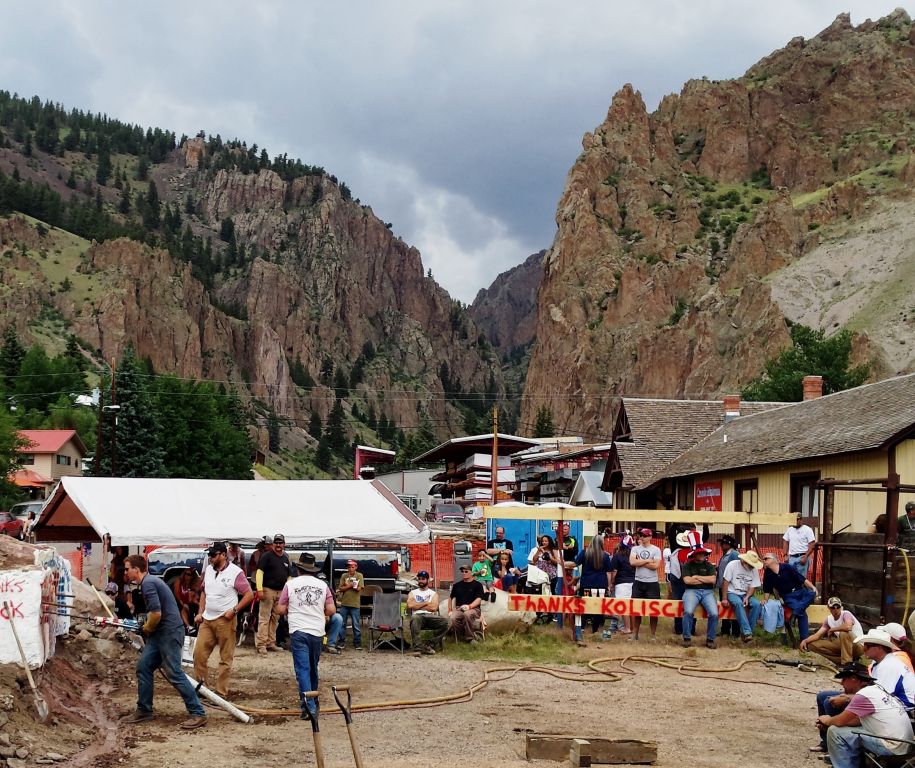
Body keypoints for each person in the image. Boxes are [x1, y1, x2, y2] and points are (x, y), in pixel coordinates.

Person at [121, 555, 207, 729]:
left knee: (174, 673)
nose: (125, 572)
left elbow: (156, 614)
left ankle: (198, 713)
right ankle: (144, 709)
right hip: (160, 634)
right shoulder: (149, 582)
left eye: (127, 568)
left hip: (168, 633)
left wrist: (146, 628)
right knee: (144, 667)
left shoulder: (148, 583)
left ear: (136, 570)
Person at [817, 662, 914, 768]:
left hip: (892, 747)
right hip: (906, 744)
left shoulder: (864, 695)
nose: (841, 683)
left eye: (844, 679)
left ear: (854, 678)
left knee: (835, 732)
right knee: (840, 729)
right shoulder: (877, 690)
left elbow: (840, 721)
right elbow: (857, 721)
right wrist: (830, 723)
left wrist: (826, 720)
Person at [275, 553, 337, 717]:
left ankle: (309, 706)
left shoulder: (290, 584)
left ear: (298, 568)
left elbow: (280, 609)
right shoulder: (323, 585)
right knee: (312, 667)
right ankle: (313, 700)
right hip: (317, 630)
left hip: (298, 629)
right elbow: (331, 610)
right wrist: (319, 611)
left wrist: (289, 607)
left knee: (302, 669)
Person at [193, 542, 254, 698]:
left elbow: (249, 595)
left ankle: (220, 693)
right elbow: (204, 593)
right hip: (207, 618)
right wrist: (200, 612)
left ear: (223, 555)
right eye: (209, 555)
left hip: (225, 620)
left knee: (225, 658)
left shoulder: (236, 572)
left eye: (213, 555)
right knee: (199, 654)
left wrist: (234, 610)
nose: (210, 558)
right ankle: (202, 689)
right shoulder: (208, 571)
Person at [761, 552, 817, 640]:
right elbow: (767, 588)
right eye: (763, 559)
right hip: (788, 596)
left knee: (812, 593)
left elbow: (801, 578)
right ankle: (805, 641)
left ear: (774, 560)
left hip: (800, 591)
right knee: (802, 614)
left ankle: (796, 612)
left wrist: (813, 587)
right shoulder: (768, 573)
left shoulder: (786, 567)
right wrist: (765, 599)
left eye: (766, 558)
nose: (764, 561)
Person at [255, 533, 291, 655]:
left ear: (284, 544)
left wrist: (287, 592)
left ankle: (271, 642)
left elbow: (289, 576)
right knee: (264, 618)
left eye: (280, 543)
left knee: (275, 618)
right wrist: (259, 589)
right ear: (273, 544)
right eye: (276, 542)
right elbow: (259, 572)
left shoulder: (286, 558)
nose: (278, 545)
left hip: (281, 592)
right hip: (267, 590)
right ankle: (261, 644)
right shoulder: (267, 556)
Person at [800, 597, 864, 665]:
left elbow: (848, 627)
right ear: (828, 607)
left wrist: (833, 629)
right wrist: (805, 641)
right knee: (812, 645)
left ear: (841, 607)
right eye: (833, 607)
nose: (836, 609)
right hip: (843, 646)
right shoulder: (829, 619)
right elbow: (817, 635)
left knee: (844, 633)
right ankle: (841, 660)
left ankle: (847, 663)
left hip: (857, 645)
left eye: (838, 607)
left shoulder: (846, 614)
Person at [574, 534, 613, 637]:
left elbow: (575, 564)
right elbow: (609, 572)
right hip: (600, 584)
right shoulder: (605, 556)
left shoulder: (584, 553)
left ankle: (582, 627)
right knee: (598, 606)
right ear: (601, 543)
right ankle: (595, 629)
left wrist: (562, 563)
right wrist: (609, 586)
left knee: (584, 604)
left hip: (586, 583)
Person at [680, 547, 719, 649]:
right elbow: (687, 581)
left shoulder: (709, 565)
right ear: (695, 555)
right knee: (688, 611)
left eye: (704, 554)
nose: (702, 555)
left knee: (714, 613)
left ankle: (710, 639)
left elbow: (713, 580)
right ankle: (687, 638)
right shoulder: (687, 565)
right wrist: (705, 580)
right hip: (691, 591)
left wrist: (696, 577)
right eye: (700, 553)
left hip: (708, 592)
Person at [722, 550, 763, 643]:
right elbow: (725, 582)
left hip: (746, 593)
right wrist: (724, 598)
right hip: (732, 592)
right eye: (751, 565)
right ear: (744, 561)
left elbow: (753, 586)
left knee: (756, 604)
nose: (752, 567)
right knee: (738, 604)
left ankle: (747, 633)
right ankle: (747, 632)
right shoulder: (732, 565)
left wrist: (747, 597)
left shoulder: (754, 569)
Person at [629, 528, 662, 641]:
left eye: (644, 535)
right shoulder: (635, 548)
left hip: (652, 582)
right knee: (636, 609)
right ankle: (635, 634)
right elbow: (632, 562)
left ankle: (653, 634)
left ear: (650, 537)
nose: (641, 537)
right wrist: (649, 560)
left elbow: (656, 566)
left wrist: (641, 562)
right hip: (638, 581)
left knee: (653, 610)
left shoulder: (656, 549)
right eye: (640, 535)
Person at [407, 570, 449, 655]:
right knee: (415, 618)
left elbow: (434, 607)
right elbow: (410, 605)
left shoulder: (433, 593)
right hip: (417, 616)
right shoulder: (413, 593)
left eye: (423, 579)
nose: (421, 581)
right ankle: (418, 649)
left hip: (430, 617)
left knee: (447, 622)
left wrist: (418, 604)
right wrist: (426, 603)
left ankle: (429, 644)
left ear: (428, 580)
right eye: (419, 579)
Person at [332, 559, 363, 650]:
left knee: (355, 624)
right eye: (348, 567)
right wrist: (351, 585)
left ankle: (357, 642)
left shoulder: (359, 575)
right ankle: (341, 641)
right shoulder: (344, 575)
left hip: (355, 604)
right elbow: (340, 588)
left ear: (356, 567)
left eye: (352, 567)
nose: (350, 569)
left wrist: (348, 585)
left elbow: (359, 588)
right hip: (345, 603)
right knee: (342, 623)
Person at [449, 564, 484, 642]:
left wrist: (469, 606)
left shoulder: (478, 585)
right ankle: (464, 634)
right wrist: (450, 610)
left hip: (474, 609)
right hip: (459, 608)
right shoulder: (457, 585)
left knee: (467, 614)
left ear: (471, 573)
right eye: (462, 571)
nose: (464, 573)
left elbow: (479, 599)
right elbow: (451, 598)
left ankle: (470, 638)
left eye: (466, 571)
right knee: (452, 618)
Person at [608, 535, 635, 635]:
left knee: (624, 607)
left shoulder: (617, 556)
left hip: (622, 583)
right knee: (632, 607)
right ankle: (632, 628)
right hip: (633, 582)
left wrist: (611, 583)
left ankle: (627, 628)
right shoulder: (633, 556)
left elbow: (614, 571)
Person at [717, 534, 741, 638]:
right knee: (725, 607)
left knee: (733, 608)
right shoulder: (726, 554)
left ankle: (735, 631)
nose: (721, 545)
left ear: (728, 544)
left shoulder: (734, 554)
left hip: (729, 586)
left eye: (723, 543)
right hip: (723, 585)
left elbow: (735, 570)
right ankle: (725, 630)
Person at [783, 512, 816, 578]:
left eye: (796, 520)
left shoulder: (807, 530)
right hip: (791, 557)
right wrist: (785, 555)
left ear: (800, 520)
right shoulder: (790, 529)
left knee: (801, 578)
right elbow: (785, 541)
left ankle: (802, 588)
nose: (794, 522)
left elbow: (812, 544)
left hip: (802, 556)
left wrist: (806, 556)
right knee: (791, 577)